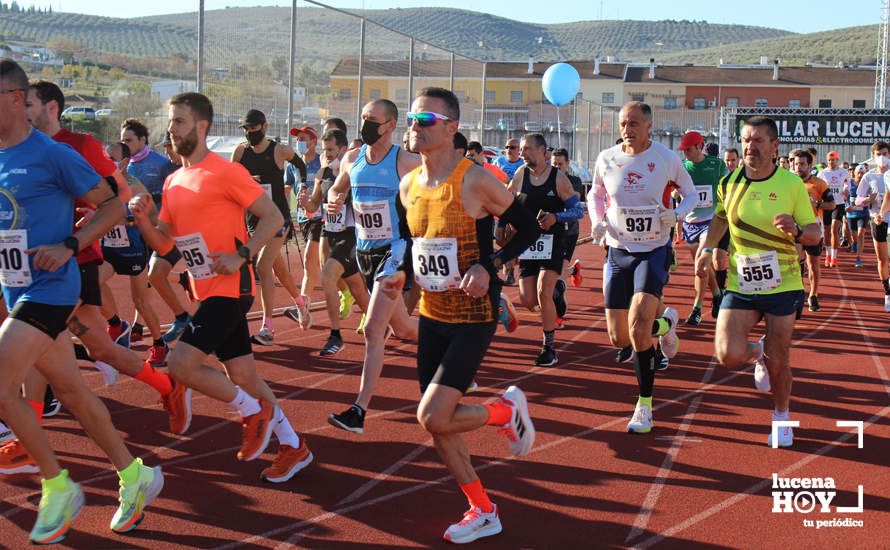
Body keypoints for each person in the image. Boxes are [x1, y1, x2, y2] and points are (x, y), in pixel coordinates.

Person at [0, 58, 163, 542]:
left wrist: (70, 244)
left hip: (52, 288)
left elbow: (113, 203)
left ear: (13, 98)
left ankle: (58, 485)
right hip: (16, 289)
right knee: (70, 391)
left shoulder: (51, 154)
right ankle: (135, 477)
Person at [130, 92, 312, 482]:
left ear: (201, 126)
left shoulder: (225, 171)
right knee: (244, 375)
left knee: (181, 364)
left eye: (179, 121)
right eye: (170, 121)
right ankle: (293, 445)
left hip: (232, 285)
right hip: (204, 289)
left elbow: (273, 216)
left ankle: (252, 412)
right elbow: (165, 244)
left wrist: (242, 254)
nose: (171, 129)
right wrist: (144, 220)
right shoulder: (175, 180)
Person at [400, 87, 537, 544]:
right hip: (433, 312)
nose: (414, 126)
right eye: (412, 118)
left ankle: (504, 411)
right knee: (438, 425)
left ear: (452, 127)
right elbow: (415, 245)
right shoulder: (407, 186)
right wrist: (401, 280)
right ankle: (483, 509)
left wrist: (490, 265)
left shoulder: (475, 180)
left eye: (425, 119)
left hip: (474, 313)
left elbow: (529, 227)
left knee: (432, 416)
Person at [695, 115, 820, 448]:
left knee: (780, 362)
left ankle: (781, 417)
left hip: (784, 284)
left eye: (758, 140)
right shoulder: (729, 183)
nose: (750, 146)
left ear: (775, 145)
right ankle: (757, 351)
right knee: (727, 354)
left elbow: (815, 233)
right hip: (742, 283)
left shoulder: (792, 185)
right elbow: (720, 217)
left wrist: (796, 229)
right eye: (746, 140)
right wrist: (708, 247)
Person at [587, 101, 695, 433]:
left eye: (634, 123)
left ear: (649, 126)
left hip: (653, 249)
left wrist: (674, 215)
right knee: (620, 338)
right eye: (622, 123)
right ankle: (667, 324)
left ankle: (644, 405)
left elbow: (690, 195)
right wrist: (597, 221)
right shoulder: (607, 158)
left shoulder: (665, 158)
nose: (627, 129)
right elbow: (596, 193)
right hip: (619, 250)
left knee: (637, 328)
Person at [326, 99, 421, 434]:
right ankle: (452, 347)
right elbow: (337, 189)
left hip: (395, 251)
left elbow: (436, 185)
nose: (365, 124)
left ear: (391, 125)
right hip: (365, 251)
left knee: (372, 329)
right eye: (362, 117)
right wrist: (332, 199)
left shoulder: (406, 161)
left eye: (372, 119)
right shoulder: (352, 158)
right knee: (407, 330)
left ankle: (359, 410)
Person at [503, 134, 584, 366]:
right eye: (521, 149)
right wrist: (506, 222)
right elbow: (507, 200)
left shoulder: (558, 179)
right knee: (528, 300)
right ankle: (557, 292)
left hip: (552, 241)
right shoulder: (520, 175)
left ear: (542, 151)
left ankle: (549, 348)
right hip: (528, 243)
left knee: (542, 291)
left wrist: (555, 217)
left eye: (527, 149)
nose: (522, 153)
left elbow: (578, 211)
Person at [232, 109, 310, 344]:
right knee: (278, 270)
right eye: (245, 129)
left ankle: (268, 327)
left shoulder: (278, 150)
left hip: (278, 219)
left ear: (264, 127)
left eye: (253, 129)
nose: (249, 133)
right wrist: (244, 182)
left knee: (263, 267)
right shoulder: (240, 151)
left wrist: (303, 186)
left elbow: (300, 165)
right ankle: (300, 302)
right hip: (253, 222)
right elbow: (230, 177)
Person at [298, 129, 370, 355]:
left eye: (331, 150)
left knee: (328, 276)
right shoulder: (324, 172)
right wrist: (304, 202)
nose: (327, 154)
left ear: (342, 149)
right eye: (325, 150)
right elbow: (313, 206)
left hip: (351, 235)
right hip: (332, 233)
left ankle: (335, 336)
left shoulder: (353, 172)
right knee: (357, 288)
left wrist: (346, 202)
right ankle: (384, 324)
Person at [102, 141, 169, 365]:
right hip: (110, 248)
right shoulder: (100, 182)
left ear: (124, 162)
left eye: (111, 157)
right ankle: (115, 324)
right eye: (105, 155)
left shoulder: (135, 186)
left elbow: (153, 219)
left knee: (140, 301)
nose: (106, 159)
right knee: (90, 281)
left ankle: (160, 344)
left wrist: (128, 219)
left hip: (133, 249)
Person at [677, 131, 728, 325]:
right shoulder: (682, 167)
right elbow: (672, 189)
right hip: (690, 223)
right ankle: (717, 294)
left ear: (699, 146)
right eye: (684, 150)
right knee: (703, 268)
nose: (686, 153)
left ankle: (696, 309)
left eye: (688, 149)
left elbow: (729, 186)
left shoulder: (717, 164)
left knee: (700, 263)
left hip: (711, 222)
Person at [790, 149, 834, 312]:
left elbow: (832, 205)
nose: (798, 167)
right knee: (796, 263)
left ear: (809, 165)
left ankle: (813, 295)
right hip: (794, 227)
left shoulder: (819, 183)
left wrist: (817, 205)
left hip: (814, 227)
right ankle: (799, 294)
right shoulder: (789, 182)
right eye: (795, 164)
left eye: (802, 164)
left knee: (813, 264)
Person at [857, 143, 889, 309]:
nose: (882, 157)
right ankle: (887, 289)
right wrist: (867, 200)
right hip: (877, 220)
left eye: (884, 153)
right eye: (878, 154)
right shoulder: (869, 176)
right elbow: (857, 200)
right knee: (882, 259)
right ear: (874, 156)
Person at [551, 147, 585, 292]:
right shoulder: (546, 180)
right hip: (551, 231)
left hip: (569, 231)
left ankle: (558, 306)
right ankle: (573, 271)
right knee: (551, 272)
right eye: (554, 164)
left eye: (560, 164)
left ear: (567, 164)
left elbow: (574, 199)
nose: (557, 167)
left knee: (557, 275)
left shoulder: (575, 181)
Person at [816, 150, 851, 267]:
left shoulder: (844, 172)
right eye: (830, 160)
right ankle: (828, 255)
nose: (831, 162)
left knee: (834, 228)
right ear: (827, 161)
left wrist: (846, 190)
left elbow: (847, 184)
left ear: (837, 160)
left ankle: (834, 258)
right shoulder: (822, 173)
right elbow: (818, 187)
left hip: (839, 204)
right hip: (826, 204)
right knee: (826, 231)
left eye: (834, 160)